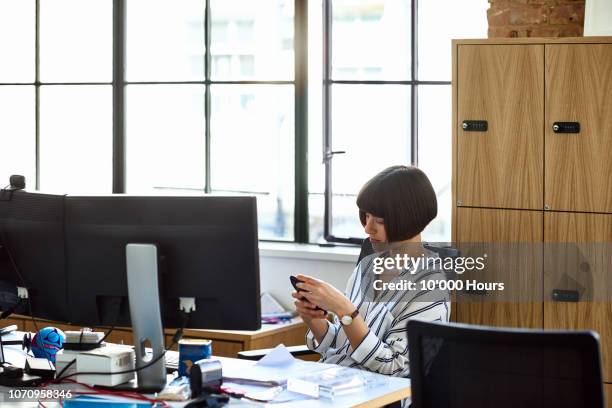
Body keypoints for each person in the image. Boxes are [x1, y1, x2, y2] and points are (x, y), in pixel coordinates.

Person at [293, 165, 450, 379]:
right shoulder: (367, 267)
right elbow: (343, 344)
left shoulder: (430, 288)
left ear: (411, 218)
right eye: (366, 217)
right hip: (334, 382)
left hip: (381, 395)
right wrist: (315, 321)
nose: (368, 228)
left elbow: (395, 365)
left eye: (380, 221)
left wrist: (345, 310)